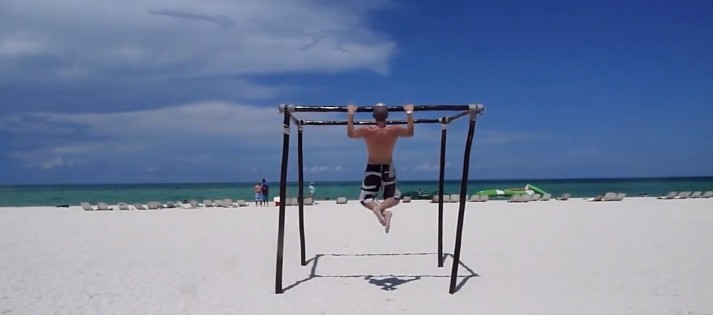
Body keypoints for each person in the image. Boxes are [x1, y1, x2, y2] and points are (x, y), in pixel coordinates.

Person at [347, 103, 414, 233]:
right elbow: (410, 132)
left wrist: (351, 114)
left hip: (372, 166)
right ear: (387, 116)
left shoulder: (367, 130)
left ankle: (378, 209)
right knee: (395, 197)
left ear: (373, 116)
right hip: (388, 166)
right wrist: (409, 113)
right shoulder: (394, 130)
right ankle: (382, 210)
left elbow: (350, 134)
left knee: (364, 198)